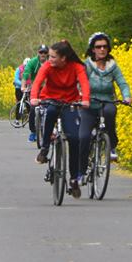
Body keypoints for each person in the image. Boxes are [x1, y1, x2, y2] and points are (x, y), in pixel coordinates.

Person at [30, 40, 90, 199]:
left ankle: (74, 178)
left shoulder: (76, 67)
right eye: (49, 56)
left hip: (69, 102)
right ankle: (45, 148)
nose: (49, 59)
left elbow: (84, 83)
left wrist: (86, 99)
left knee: (75, 138)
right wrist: (34, 98)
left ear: (64, 58)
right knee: (50, 112)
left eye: (53, 57)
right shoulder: (48, 67)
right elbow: (37, 82)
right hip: (50, 99)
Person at [79, 32, 132, 163]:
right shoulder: (88, 65)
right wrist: (80, 95)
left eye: (104, 46)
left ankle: (112, 147)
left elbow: (122, 83)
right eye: (98, 47)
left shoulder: (112, 66)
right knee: (84, 137)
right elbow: (79, 82)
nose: (102, 49)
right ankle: (81, 171)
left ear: (108, 49)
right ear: (93, 49)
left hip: (107, 101)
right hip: (89, 103)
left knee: (110, 112)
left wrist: (127, 96)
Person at [22, 45, 50, 142]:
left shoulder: (51, 62)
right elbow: (26, 74)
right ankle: (33, 132)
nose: (43, 54)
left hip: (48, 89)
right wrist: (23, 86)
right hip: (36, 88)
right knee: (33, 109)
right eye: (41, 52)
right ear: (38, 53)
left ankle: (52, 132)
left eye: (45, 52)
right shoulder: (33, 62)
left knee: (52, 109)